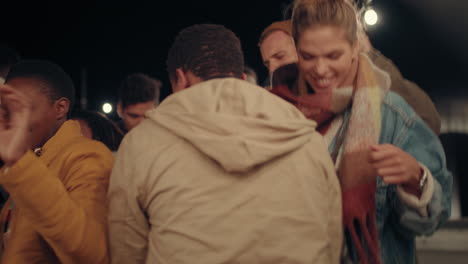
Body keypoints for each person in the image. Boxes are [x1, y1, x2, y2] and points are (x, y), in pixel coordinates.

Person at [108, 24, 342, 264]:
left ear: (180, 79)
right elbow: (332, 238)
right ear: (241, 78)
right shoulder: (304, 136)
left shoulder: (140, 145)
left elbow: (126, 248)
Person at [270, 0, 452, 263]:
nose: (320, 70)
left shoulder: (392, 115)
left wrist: (417, 180)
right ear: (297, 50)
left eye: (333, 56)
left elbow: (432, 220)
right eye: (308, 56)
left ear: (356, 47)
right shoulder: (276, 111)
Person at [0, 60, 113, 263]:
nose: (13, 122)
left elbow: (91, 252)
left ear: (60, 108)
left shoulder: (87, 155)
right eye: (6, 112)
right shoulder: (32, 162)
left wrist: (19, 160)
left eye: (21, 110)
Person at [259, 19, 442, 134]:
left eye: (279, 56)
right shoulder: (274, 105)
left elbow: (426, 121)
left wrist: (370, 57)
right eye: (267, 63)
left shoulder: (356, 86)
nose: (273, 68)